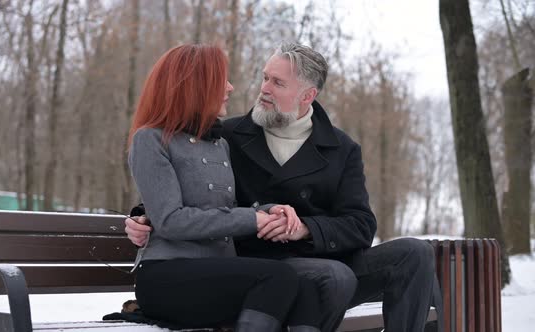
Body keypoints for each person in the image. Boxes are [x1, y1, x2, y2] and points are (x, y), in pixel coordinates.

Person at [126, 42, 442, 332]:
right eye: (265, 78)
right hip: (256, 263)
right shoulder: (230, 135)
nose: (263, 88)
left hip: (318, 254)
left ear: (308, 96)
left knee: (414, 253)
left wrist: (305, 229)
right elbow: (190, 184)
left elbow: (361, 225)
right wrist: (145, 215)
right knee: (331, 277)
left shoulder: (341, 149)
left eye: (277, 83)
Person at [127, 44, 323, 332]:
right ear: (196, 86)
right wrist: (252, 220)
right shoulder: (151, 140)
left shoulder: (219, 143)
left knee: (306, 289)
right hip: (168, 275)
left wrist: (269, 211)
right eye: (221, 80)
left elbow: (224, 209)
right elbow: (169, 221)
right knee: (277, 277)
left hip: (217, 272)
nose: (230, 87)